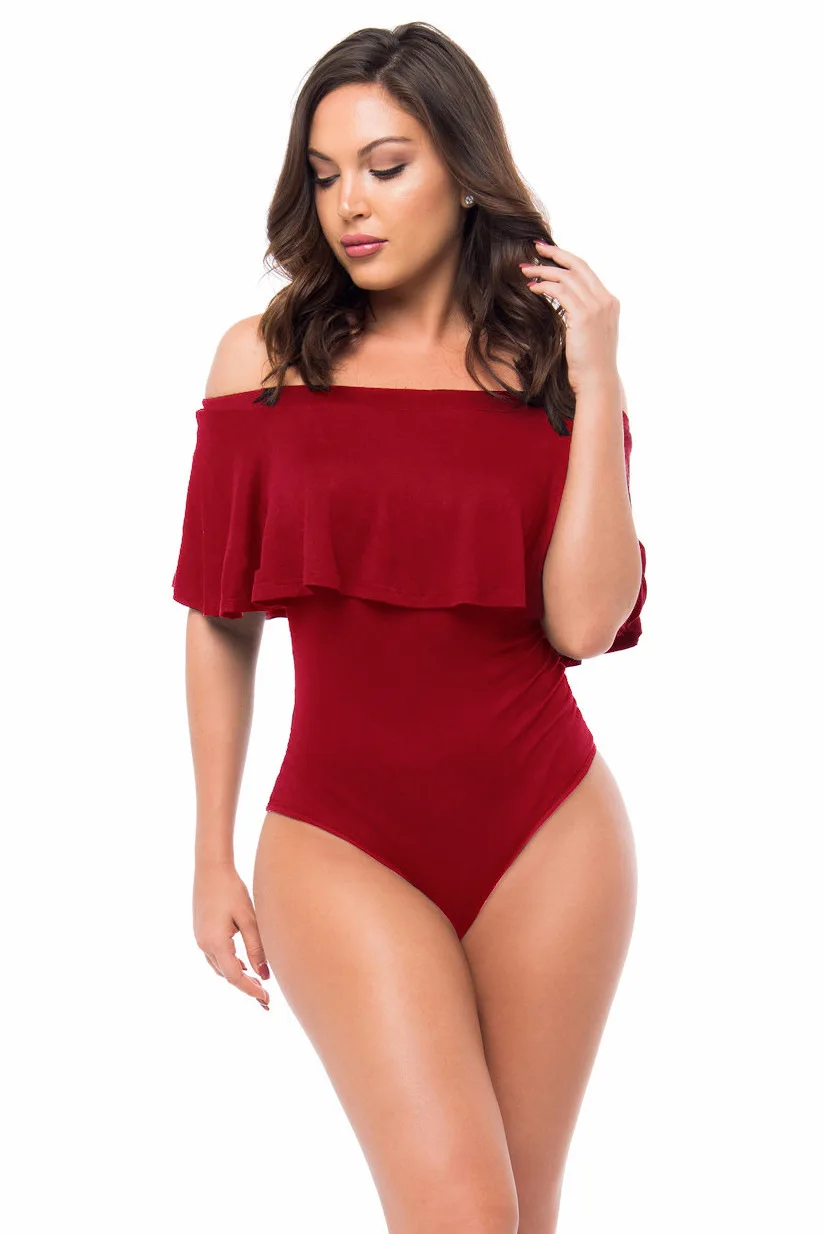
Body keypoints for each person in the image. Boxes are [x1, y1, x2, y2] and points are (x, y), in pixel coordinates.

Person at [171, 21, 647, 1234]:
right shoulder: (260, 364)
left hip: (549, 831)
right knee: (458, 1212)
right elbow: (220, 616)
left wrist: (597, 376)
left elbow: (584, 623)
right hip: (340, 836)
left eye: (385, 167)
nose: (350, 204)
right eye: (325, 174)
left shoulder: (547, 368)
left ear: (463, 169)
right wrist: (210, 848)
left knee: (522, 1214)